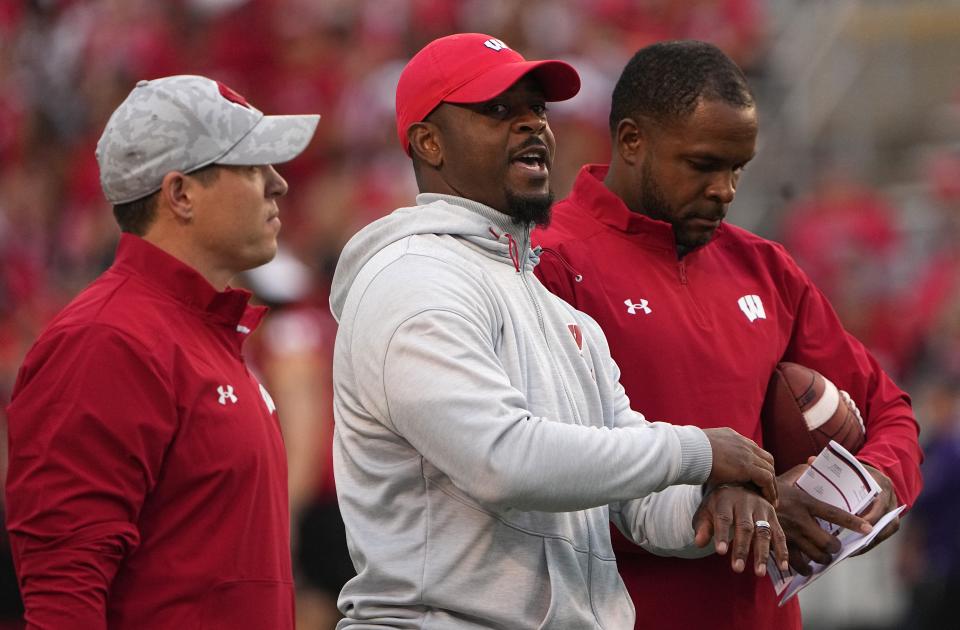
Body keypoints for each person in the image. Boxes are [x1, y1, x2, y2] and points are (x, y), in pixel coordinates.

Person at [329, 33, 809, 629]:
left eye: (538, 109)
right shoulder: (414, 278)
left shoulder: (554, 309)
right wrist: (698, 450)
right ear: (429, 143)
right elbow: (501, 460)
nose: (532, 126)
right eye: (499, 110)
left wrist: (719, 505)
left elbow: (637, 506)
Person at [533, 40, 923, 630]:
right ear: (632, 141)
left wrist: (867, 489)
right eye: (703, 164)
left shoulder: (764, 269)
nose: (726, 190)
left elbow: (888, 409)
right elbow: (542, 467)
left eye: (738, 168)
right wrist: (737, 508)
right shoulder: (549, 262)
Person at [4, 75, 319, 629]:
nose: (278, 184)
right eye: (251, 165)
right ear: (180, 194)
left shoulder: (199, 333)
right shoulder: (106, 341)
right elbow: (64, 595)